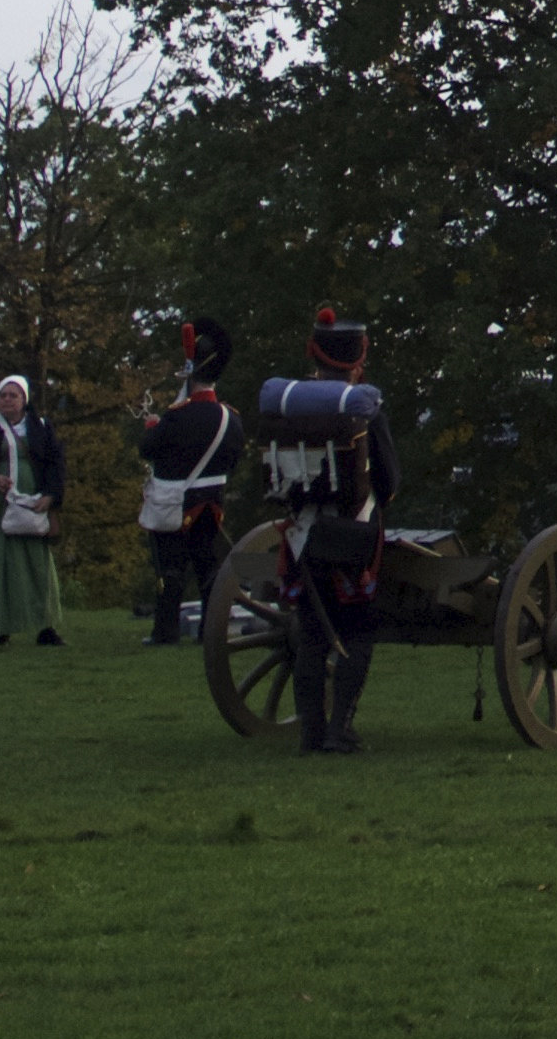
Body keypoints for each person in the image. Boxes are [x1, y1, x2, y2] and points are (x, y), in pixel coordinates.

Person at [261, 307, 401, 756]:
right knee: (357, 631)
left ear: (315, 355)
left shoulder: (287, 411)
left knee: (311, 636)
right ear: (358, 360)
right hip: (353, 536)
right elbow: (389, 483)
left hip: (301, 534)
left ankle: (311, 733)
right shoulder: (366, 411)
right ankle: (340, 729)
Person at [138, 317, 240, 648]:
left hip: (177, 502)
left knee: (170, 569)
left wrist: (152, 428)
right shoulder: (230, 417)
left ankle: (165, 631)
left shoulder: (177, 416)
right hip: (212, 502)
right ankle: (209, 631)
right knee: (207, 567)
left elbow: (148, 449)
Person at [0, 371, 67, 648]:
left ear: (24, 399)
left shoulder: (40, 427)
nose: (7, 400)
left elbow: (55, 463)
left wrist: (51, 496)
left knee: (36, 566)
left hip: (31, 502)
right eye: (3, 395)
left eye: (13, 395)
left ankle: (45, 626)